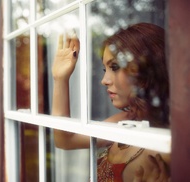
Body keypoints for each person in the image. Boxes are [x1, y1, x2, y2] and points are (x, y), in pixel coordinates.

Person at [51, 23, 170, 181]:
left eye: (114, 67)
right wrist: (60, 78)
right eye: (104, 69)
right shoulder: (127, 119)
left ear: (146, 68)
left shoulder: (168, 147)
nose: (104, 81)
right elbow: (65, 140)